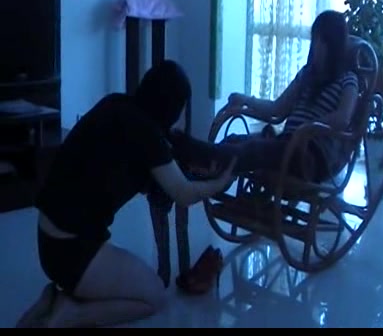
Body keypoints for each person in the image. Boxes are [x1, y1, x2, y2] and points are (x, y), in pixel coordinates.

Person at [15, 60, 236, 328]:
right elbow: (184, 193)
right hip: (73, 251)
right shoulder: (147, 135)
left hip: (47, 238)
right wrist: (221, 181)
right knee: (154, 297)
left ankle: (58, 297)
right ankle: (70, 312)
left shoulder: (115, 104)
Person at [169, 10, 360, 182]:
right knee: (236, 140)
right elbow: (276, 109)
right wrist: (245, 100)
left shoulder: (348, 80)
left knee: (257, 149)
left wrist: (307, 128)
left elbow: (343, 118)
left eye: (322, 41)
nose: (316, 46)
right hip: (288, 144)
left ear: (333, 46)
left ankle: (194, 154)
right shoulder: (307, 75)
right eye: (315, 39)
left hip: (311, 156)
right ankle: (198, 166)